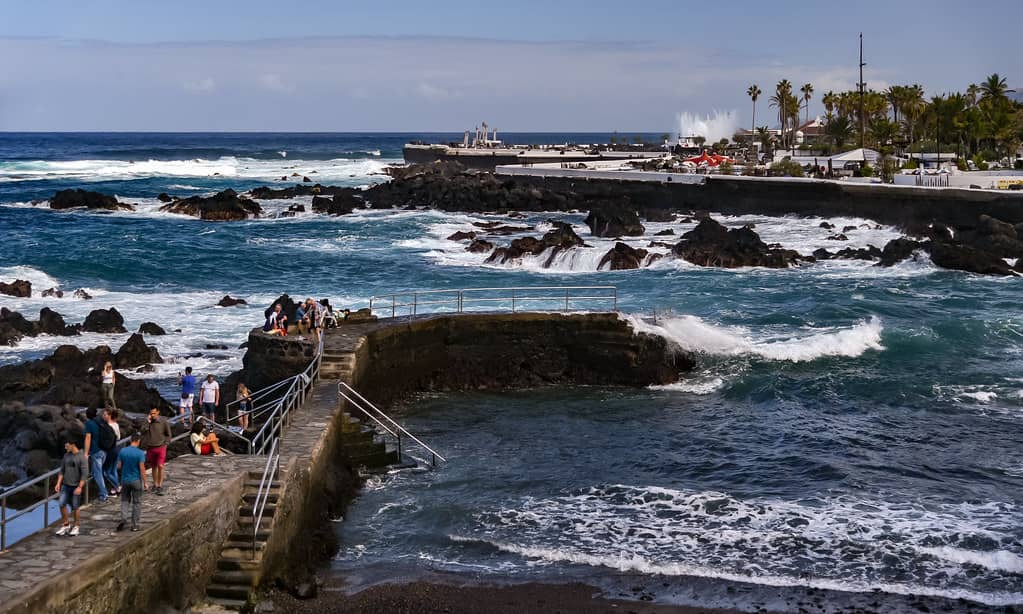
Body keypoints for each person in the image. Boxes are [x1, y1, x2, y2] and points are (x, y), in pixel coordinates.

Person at [55, 436, 87, 536]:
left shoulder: (81, 457)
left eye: (67, 445)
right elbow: (62, 470)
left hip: (76, 486)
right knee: (61, 504)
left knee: (75, 507)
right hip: (65, 485)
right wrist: (58, 483)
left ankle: (76, 526)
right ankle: (66, 525)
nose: (65, 447)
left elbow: (84, 474)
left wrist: (80, 487)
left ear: (73, 444)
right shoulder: (66, 456)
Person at [116, 433, 147, 532]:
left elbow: (119, 466)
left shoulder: (123, 451)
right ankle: (135, 525)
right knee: (137, 503)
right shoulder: (140, 453)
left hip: (125, 480)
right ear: (138, 441)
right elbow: (142, 469)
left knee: (125, 500)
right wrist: (145, 482)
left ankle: (124, 518)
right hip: (136, 481)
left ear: (130, 440)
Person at [82, 407, 112, 503]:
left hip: (96, 452)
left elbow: (88, 438)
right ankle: (102, 492)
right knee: (100, 472)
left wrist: (86, 453)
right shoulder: (100, 421)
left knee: (97, 474)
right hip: (104, 450)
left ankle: (104, 494)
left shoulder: (89, 424)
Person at [140, 407, 171, 496]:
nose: (152, 415)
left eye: (154, 413)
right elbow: (142, 431)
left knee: (160, 466)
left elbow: (168, 434)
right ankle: (155, 484)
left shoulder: (163, 422)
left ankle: (159, 486)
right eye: (151, 413)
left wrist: (166, 443)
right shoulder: (148, 422)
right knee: (154, 467)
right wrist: (147, 422)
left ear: (158, 412)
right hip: (151, 447)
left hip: (161, 446)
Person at [102, 408, 122, 497]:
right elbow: (118, 437)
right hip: (117, 448)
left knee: (106, 472)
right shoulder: (116, 425)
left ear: (109, 416)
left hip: (110, 450)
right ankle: (114, 489)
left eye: (105, 414)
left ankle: (118, 487)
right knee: (113, 470)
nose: (103, 416)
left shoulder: (107, 426)